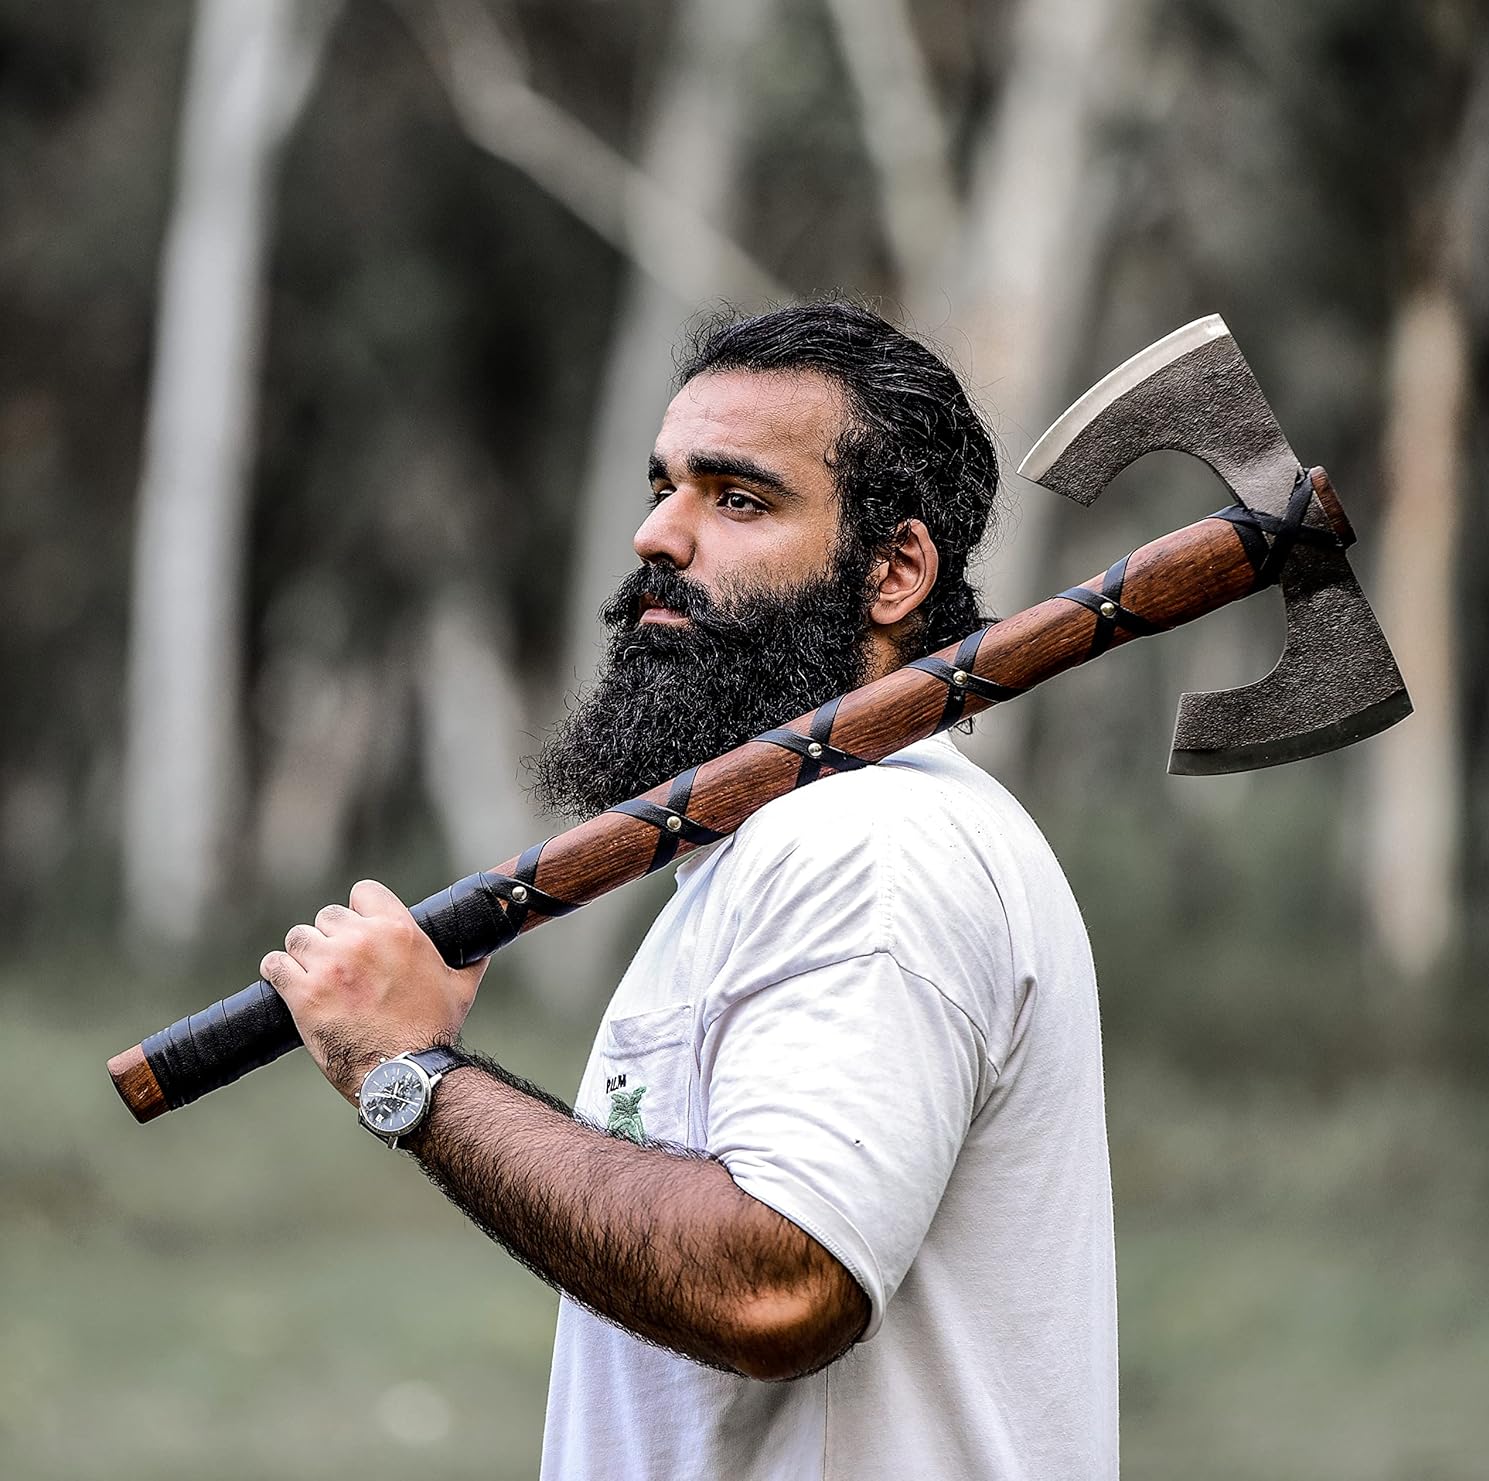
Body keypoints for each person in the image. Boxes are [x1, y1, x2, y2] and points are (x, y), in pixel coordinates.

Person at [261, 300, 1118, 1479]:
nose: (658, 534)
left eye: (738, 497)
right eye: (664, 484)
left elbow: (781, 1282)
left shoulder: (870, 848)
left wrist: (414, 1075)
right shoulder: (796, 839)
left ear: (895, 569)